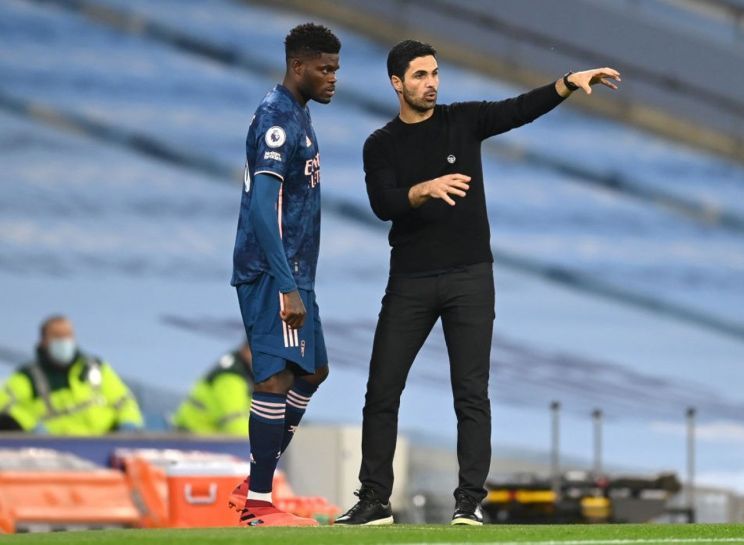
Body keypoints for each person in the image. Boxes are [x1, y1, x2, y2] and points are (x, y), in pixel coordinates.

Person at [335, 40, 620, 526]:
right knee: (382, 389)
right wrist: (423, 190)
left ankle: (469, 502)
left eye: (435, 73)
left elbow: (518, 110)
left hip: (470, 277)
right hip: (410, 281)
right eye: (420, 75)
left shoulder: (462, 121)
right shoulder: (379, 144)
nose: (431, 83)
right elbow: (383, 204)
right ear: (396, 83)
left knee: (470, 391)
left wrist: (566, 83)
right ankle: (375, 499)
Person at [227, 22, 340, 527]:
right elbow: (262, 209)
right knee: (274, 378)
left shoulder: (299, 113)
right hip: (274, 273)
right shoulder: (278, 119)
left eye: (335, 68)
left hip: (296, 272)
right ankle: (257, 503)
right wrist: (287, 285)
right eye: (325, 68)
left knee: (313, 371)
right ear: (299, 66)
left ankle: (256, 478)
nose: (333, 78)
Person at [0, 315, 143, 435]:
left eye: (68, 335)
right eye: (57, 336)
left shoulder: (96, 368)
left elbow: (124, 401)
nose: (63, 341)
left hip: (105, 448)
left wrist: (128, 425)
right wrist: (31, 427)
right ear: (43, 341)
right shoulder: (28, 377)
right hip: (59, 454)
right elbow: (4, 404)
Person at [173, 340, 254, 436]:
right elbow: (236, 425)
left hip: (210, 439)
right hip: (192, 439)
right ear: (246, 350)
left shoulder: (247, 370)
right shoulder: (231, 379)